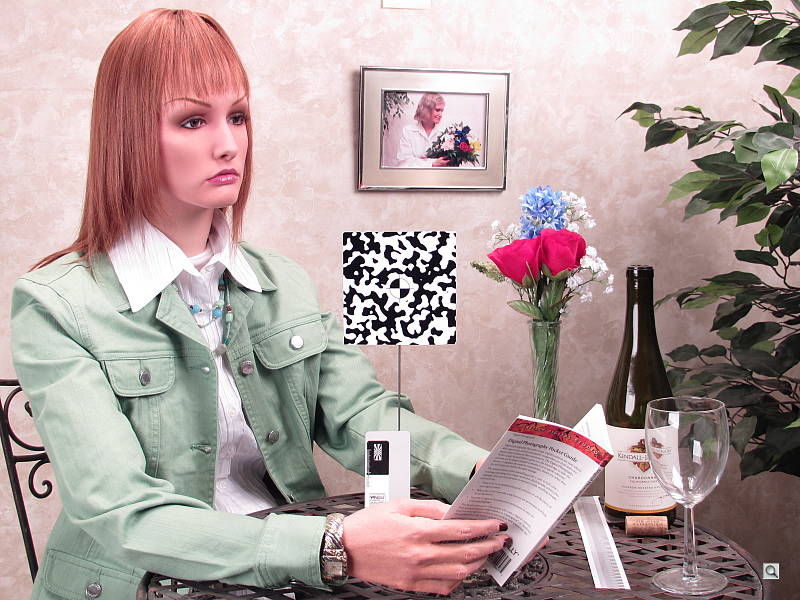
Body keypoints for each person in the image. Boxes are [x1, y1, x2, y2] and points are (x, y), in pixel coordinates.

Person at [9, 10, 540, 600]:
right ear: (127, 135)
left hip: (289, 576)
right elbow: (121, 511)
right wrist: (336, 546)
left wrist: (480, 471)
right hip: (146, 586)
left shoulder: (279, 279)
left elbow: (359, 416)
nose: (228, 144)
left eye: (238, 116)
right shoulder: (55, 305)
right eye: (193, 120)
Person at [396, 92, 451, 167]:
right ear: (426, 110)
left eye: (442, 111)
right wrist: (432, 163)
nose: (440, 115)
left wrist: (418, 161)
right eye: (437, 110)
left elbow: (448, 162)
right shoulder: (408, 131)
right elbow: (403, 163)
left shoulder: (445, 132)